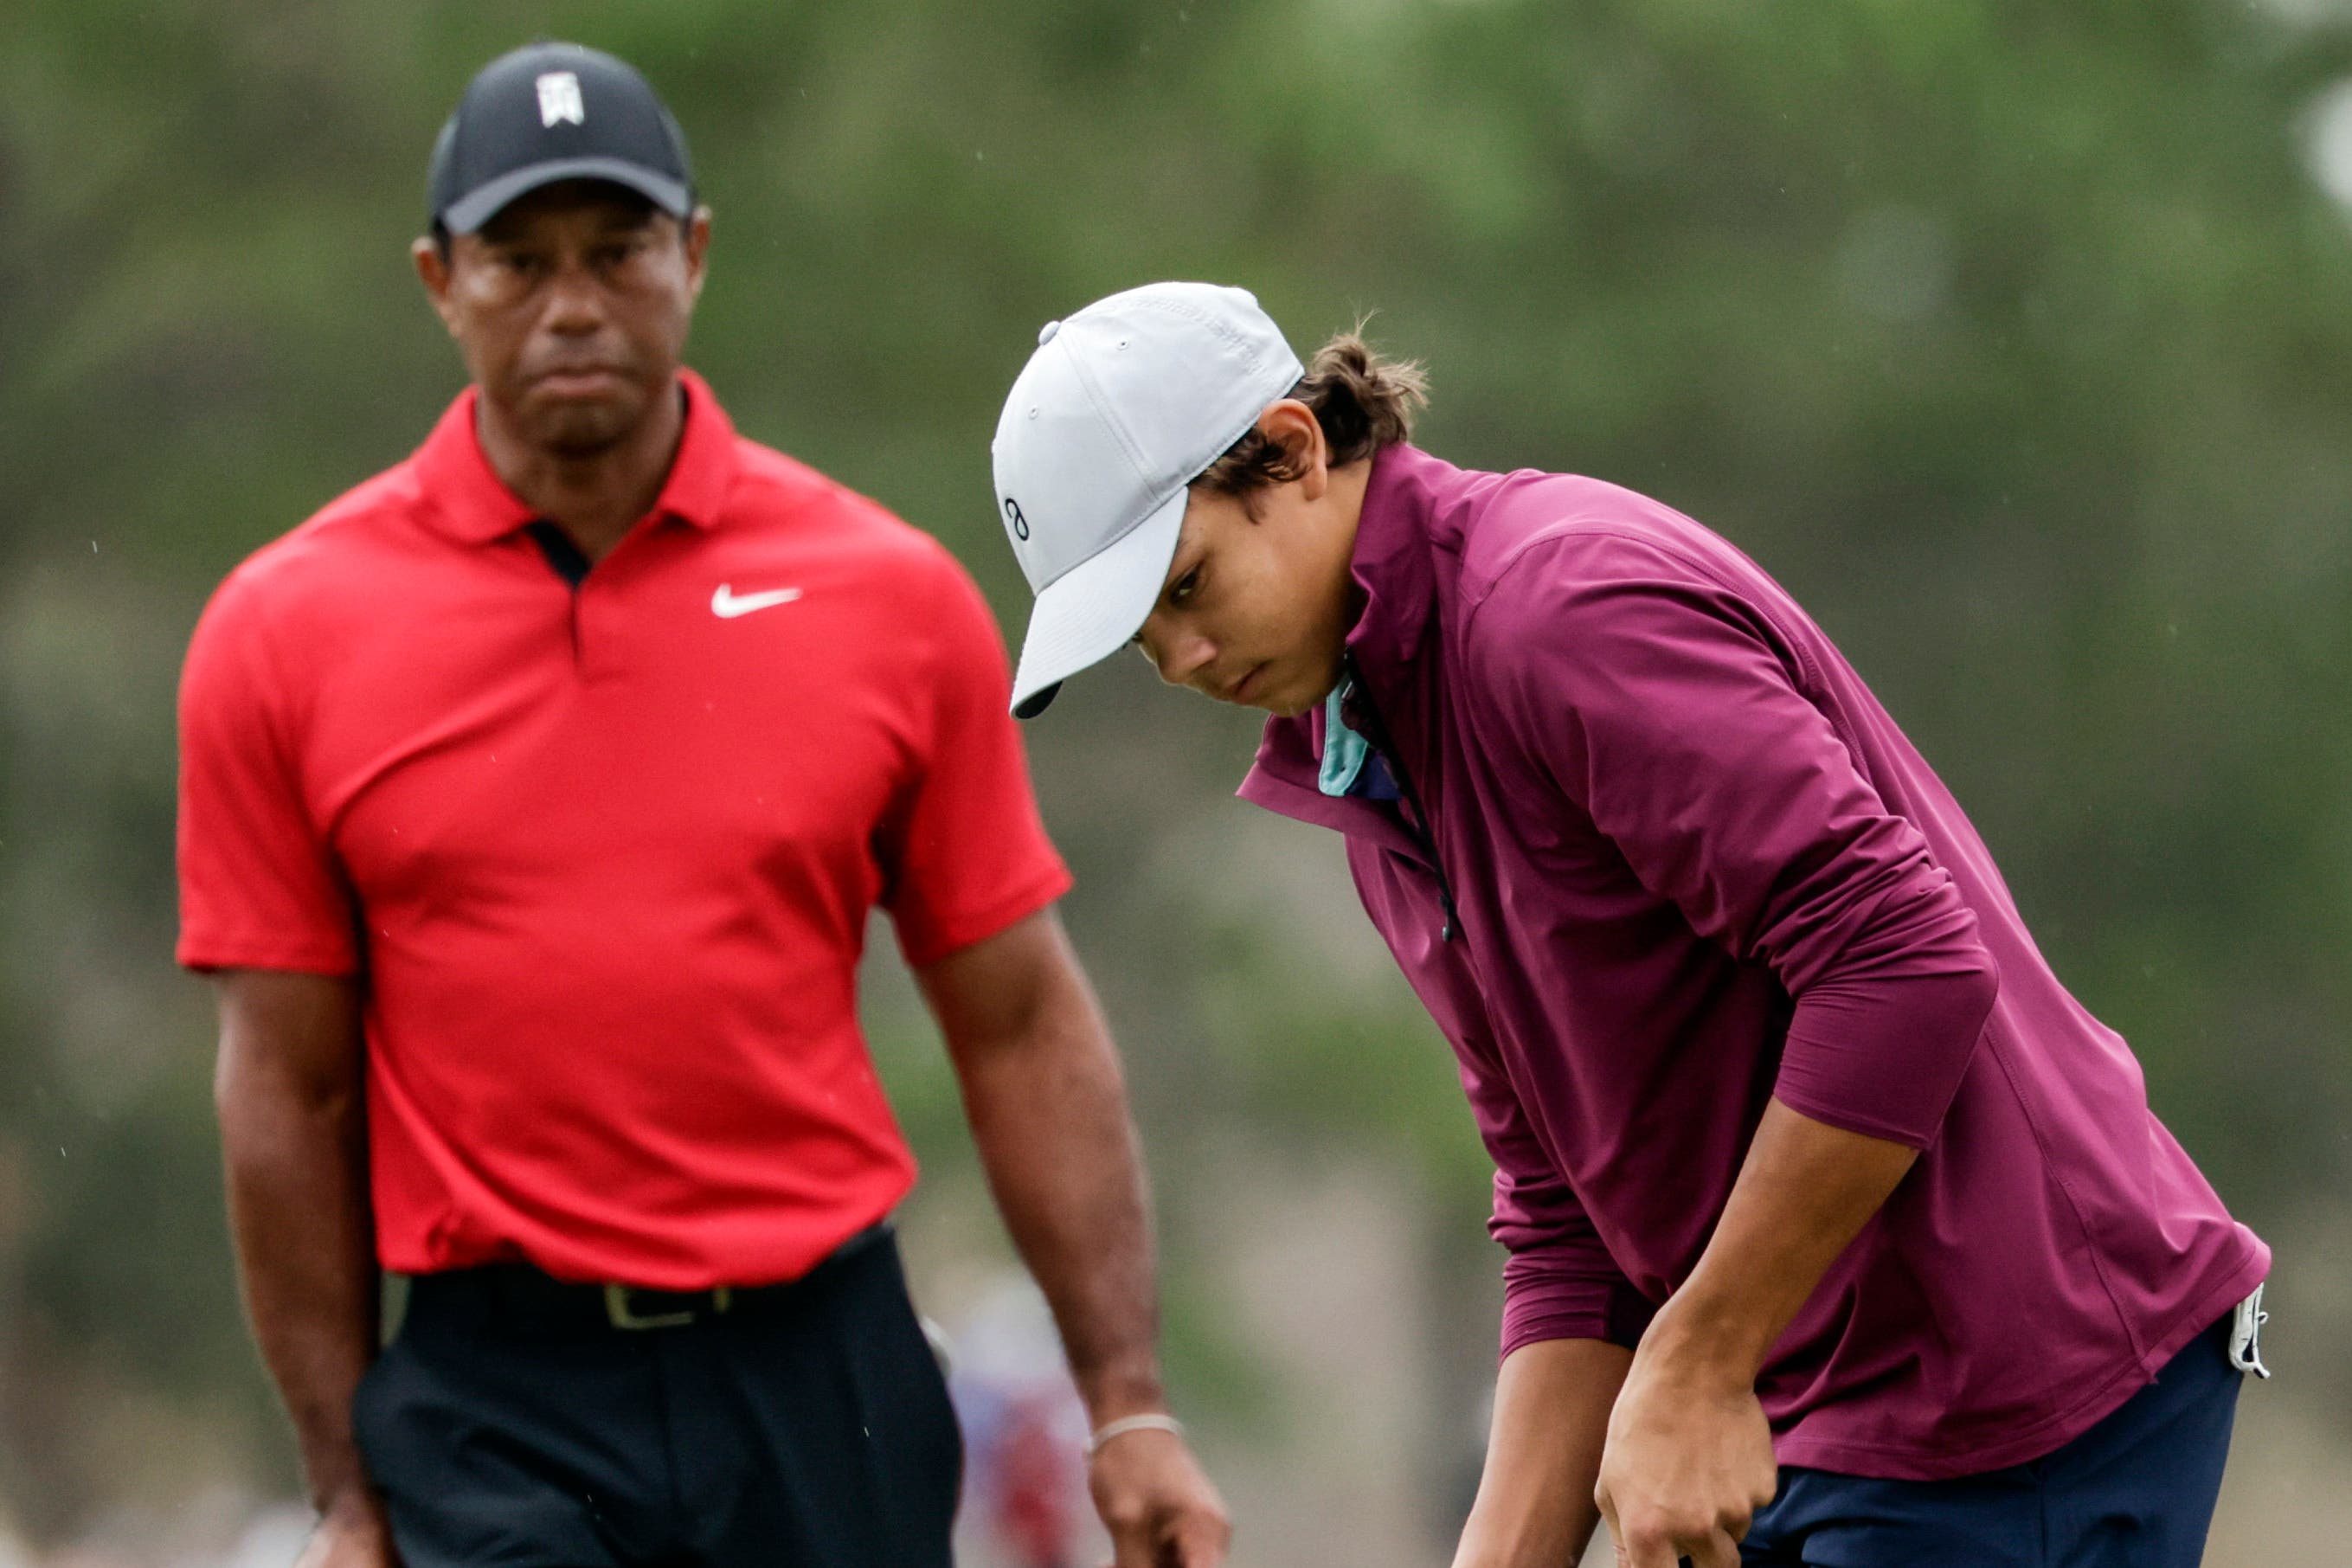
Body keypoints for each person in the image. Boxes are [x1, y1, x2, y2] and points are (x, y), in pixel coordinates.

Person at [986, 281, 2271, 1568]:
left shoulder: (1554, 611)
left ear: (1295, 450)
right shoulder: (1367, 746)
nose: (1183, 658)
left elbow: (1904, 965)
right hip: (1821, 1402)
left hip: (2003, 1390)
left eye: (1187, 584)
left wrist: (1699, 1359)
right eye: (1137, 637)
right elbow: (1563, 1203)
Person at [176, 47, 1227, 1568]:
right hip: (496, 1392)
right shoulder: (287, 631)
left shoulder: (887, 598)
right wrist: (342, 1489)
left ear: (696, 253)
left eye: (618, 251)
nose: (574, 305)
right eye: (517, 263)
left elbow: (1015, 1022)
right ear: (436, 282)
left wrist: (1124, 1405)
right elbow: (290, 1092)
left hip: (821, 1371)